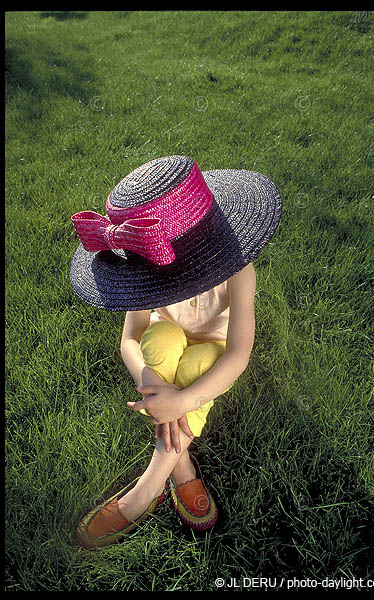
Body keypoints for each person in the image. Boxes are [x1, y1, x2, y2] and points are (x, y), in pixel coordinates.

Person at [70, 155, 281, 549]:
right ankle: (180, 466)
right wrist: (146, 379)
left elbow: (238, 354)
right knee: (164, 336)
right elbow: (130, 339)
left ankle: (144, 492)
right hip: (165, 351)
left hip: (213, 352)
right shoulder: (147, 268)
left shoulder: (239, 270)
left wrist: (182, 399)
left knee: (203, 362)